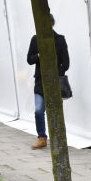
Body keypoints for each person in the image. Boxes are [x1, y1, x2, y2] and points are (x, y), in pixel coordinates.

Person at [26, 14, 69, 150]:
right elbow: (29, 59)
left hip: (55, 83)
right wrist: (38, 56)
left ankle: (57, 138)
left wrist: (58, 75)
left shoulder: (60, 40)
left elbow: (66, 63)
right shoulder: (35, 39)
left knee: (55, 111)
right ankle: (42, 138)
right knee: (39, 110)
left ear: (51, 23)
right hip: (39, 82)